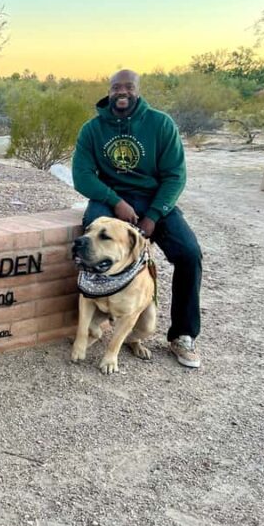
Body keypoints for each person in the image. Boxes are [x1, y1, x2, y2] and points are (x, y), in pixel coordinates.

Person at [71, 69, 202, 368]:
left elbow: (175, 176)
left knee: (189, 254)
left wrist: (154, 215)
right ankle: (94, 313)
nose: (122, 92)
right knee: (89, 245)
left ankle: (182, 334)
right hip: (110, 198)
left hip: (155, 201)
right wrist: (115, 202)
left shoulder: (160, 124)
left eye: (128, 87)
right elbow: (81, 175)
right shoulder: (92, 130)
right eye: (117, 87)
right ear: (109, 90)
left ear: (137, 91)